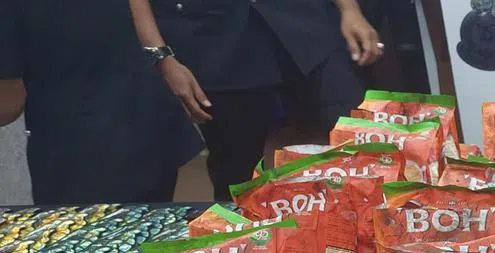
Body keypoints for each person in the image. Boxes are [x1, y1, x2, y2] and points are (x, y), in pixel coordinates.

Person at [128, 0, 384, 200]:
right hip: (213, 36)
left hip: (305, 23)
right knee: (239, 177)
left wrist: (350, 9)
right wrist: (161, 57)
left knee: (362, 146)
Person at [0, 0, 202, 205]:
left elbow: (9, 103)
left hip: (77, 151)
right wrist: (163, 58)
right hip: (143, 120)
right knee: (153, 216)